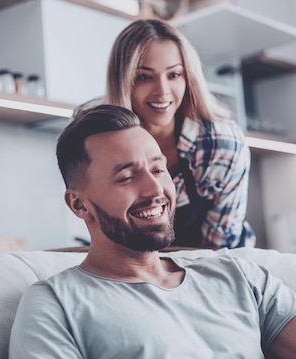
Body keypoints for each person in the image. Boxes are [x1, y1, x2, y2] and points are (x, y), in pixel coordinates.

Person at [8, 104, 296, 359]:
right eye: (126, 177)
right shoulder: (56, 303)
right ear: (79, 205)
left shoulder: (235, 276)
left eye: (158, 169)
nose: (154, 189)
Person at [80, 18, 253, 249]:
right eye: (144, 76)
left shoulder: (222, 144)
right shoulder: (92, 132)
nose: (162, 92)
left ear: (188, 78)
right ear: (122, 81)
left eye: (174, 75)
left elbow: (219, 247)